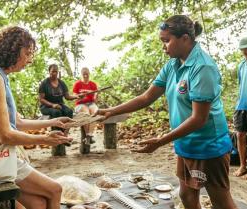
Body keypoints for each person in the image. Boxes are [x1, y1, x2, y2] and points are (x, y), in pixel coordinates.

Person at [96, 15, 237, 209]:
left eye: (167, 41)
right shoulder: (173, 64)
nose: (164, 46)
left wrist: (161, 141)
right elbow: (147, 97)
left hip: (208, 145)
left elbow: (199, 119)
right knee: (187, 195)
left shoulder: (203, 67)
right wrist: (111, 111)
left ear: (185, 39)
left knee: (220, 201)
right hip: (185, 143)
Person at [0, 26, 73, 209]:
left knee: (38, 204)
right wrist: (45, 138)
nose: (29, 60)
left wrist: (54, 122)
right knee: (55, 190)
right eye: (27, 53)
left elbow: (18, 123)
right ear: (13, 50)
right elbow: (5, 135)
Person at [233, 36, 247, 180]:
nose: (244, 52)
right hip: (241, 105)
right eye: (242, 49)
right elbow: (241, 85)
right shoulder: (241, 65)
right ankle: (242, 165)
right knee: (239, 135)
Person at [73, 67, 98, 144]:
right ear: (81, 74)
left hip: (91, 103)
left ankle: (88, 136)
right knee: (86, 114)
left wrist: (95, 95)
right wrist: (81, 95)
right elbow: (74, 97)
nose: (85, 76)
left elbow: (95, 100)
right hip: (80, 104)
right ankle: (89, 136)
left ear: (89, 74)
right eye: (84, 74)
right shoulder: (77, 84)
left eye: (87, 74)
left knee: (95, 113)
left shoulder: (93, 84)